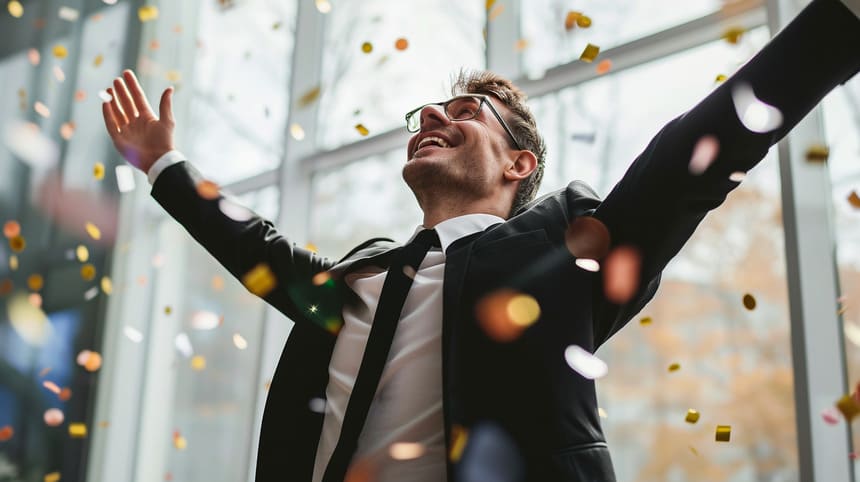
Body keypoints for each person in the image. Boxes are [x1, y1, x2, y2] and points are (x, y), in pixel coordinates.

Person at [101, 0, 860, 480]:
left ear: (517, 163)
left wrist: (837, 26)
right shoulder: (357, 276)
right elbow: (255, 251)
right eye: (424, 113)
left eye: (461, 112)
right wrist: (162, 164)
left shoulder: (564, 246)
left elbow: (691, 156)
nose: (431, 117)